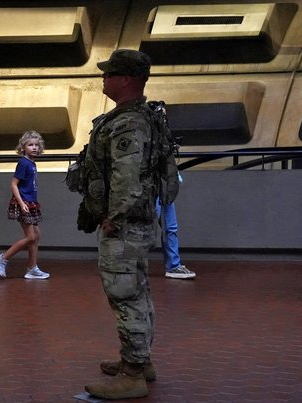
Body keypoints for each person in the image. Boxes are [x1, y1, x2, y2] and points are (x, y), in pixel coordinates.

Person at [81, 49, 176, 400]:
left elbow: (128, 176)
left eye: (109, 74)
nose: (103, 79)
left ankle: (133, 374)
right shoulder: (140, 117)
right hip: (136, 223)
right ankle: (139, 360)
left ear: (125, 80)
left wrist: (114, 217)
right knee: (137, 291)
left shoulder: (129, 122)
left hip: (124, 225)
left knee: (124, 295)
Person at [0, 130, 50, 280]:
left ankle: (32, 268)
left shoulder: (32, 163)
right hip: (24, 203)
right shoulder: (24, 163)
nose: (35, 147)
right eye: (31, 145)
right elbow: (13, 184)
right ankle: (3, 258)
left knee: (36, 236)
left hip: (31, 203)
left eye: (37, 145)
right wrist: (21, 202)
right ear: (23, 147)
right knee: (31, 236)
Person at [157, 175, 196, 279]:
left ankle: (173, 266)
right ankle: (130, 265)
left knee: (171, 228)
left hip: (165, 187)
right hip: (149, 187)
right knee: (142, 228)